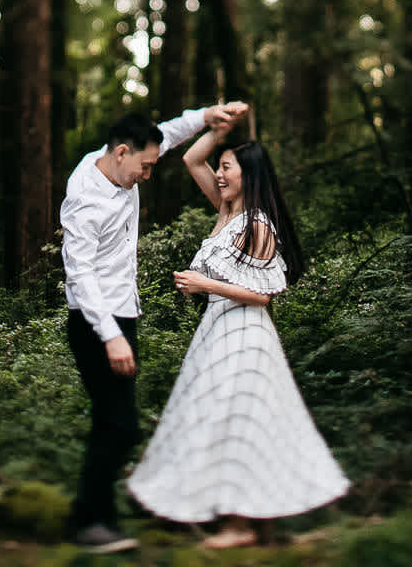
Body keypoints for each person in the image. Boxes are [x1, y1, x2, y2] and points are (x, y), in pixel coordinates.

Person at [125, 129, 349, 549]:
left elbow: (263, 294)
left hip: (245, 333)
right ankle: (251, 522)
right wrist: (218, 125)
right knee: (224, 420)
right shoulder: (226, 212)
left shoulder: (258, 224)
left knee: (237, 422)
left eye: (228, 167)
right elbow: (193, 159)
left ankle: (239, 524)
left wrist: (203, 284)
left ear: (249, 174)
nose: (221, 174)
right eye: (222, 167)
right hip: (218, 330)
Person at [59, 100, 248, 554]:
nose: (148, 175)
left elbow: (167, 132)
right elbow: (79, 275)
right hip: (94, 321)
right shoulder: (85, 199)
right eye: (144, 167)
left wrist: (208, 116)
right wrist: (111, 337)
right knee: (119, 424)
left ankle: (95, 517)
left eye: (152, 164)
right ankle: (89, 521)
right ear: (121, 153)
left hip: (123, 314)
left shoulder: (119, 157)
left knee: (115, 422)